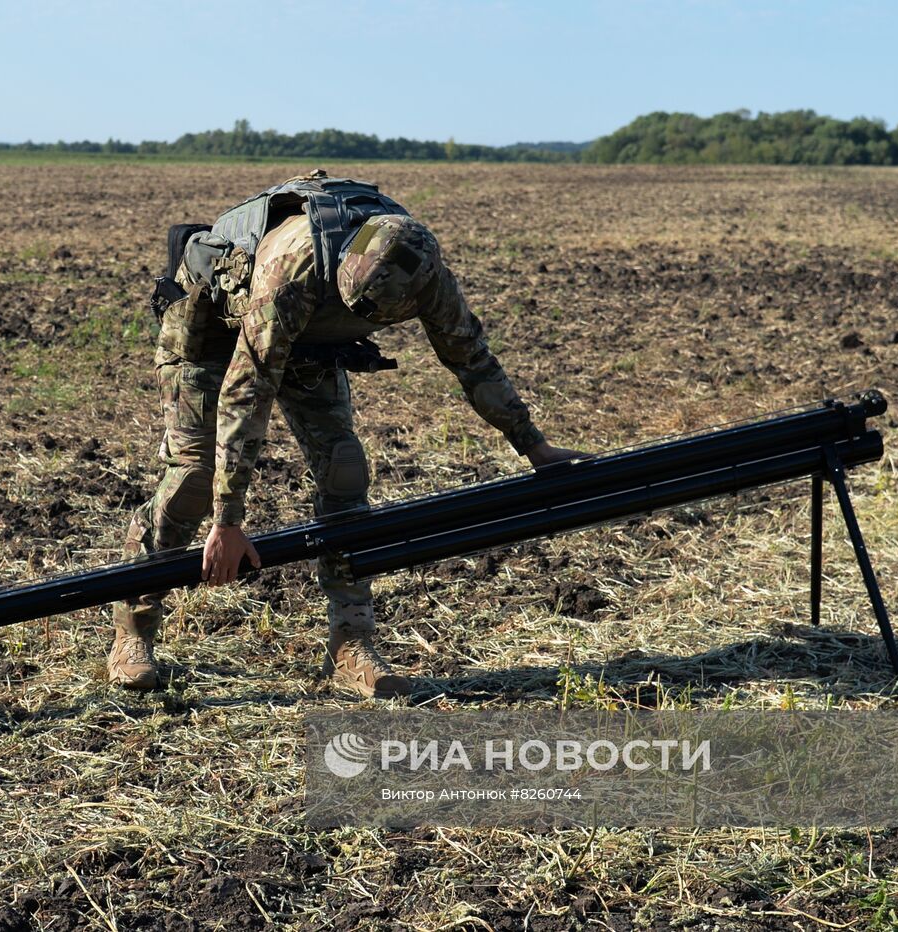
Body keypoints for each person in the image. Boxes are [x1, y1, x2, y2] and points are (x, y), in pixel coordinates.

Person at [109, 170, 582, 698]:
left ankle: (352, 646)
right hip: (210, 334)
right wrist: (228, 521)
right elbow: (248, 393)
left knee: (344, 471)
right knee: (194, 478)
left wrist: (533, 445)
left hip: (310, 342)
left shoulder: (424, 268)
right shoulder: (290, 270)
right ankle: (134, 631)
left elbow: (470, 358)